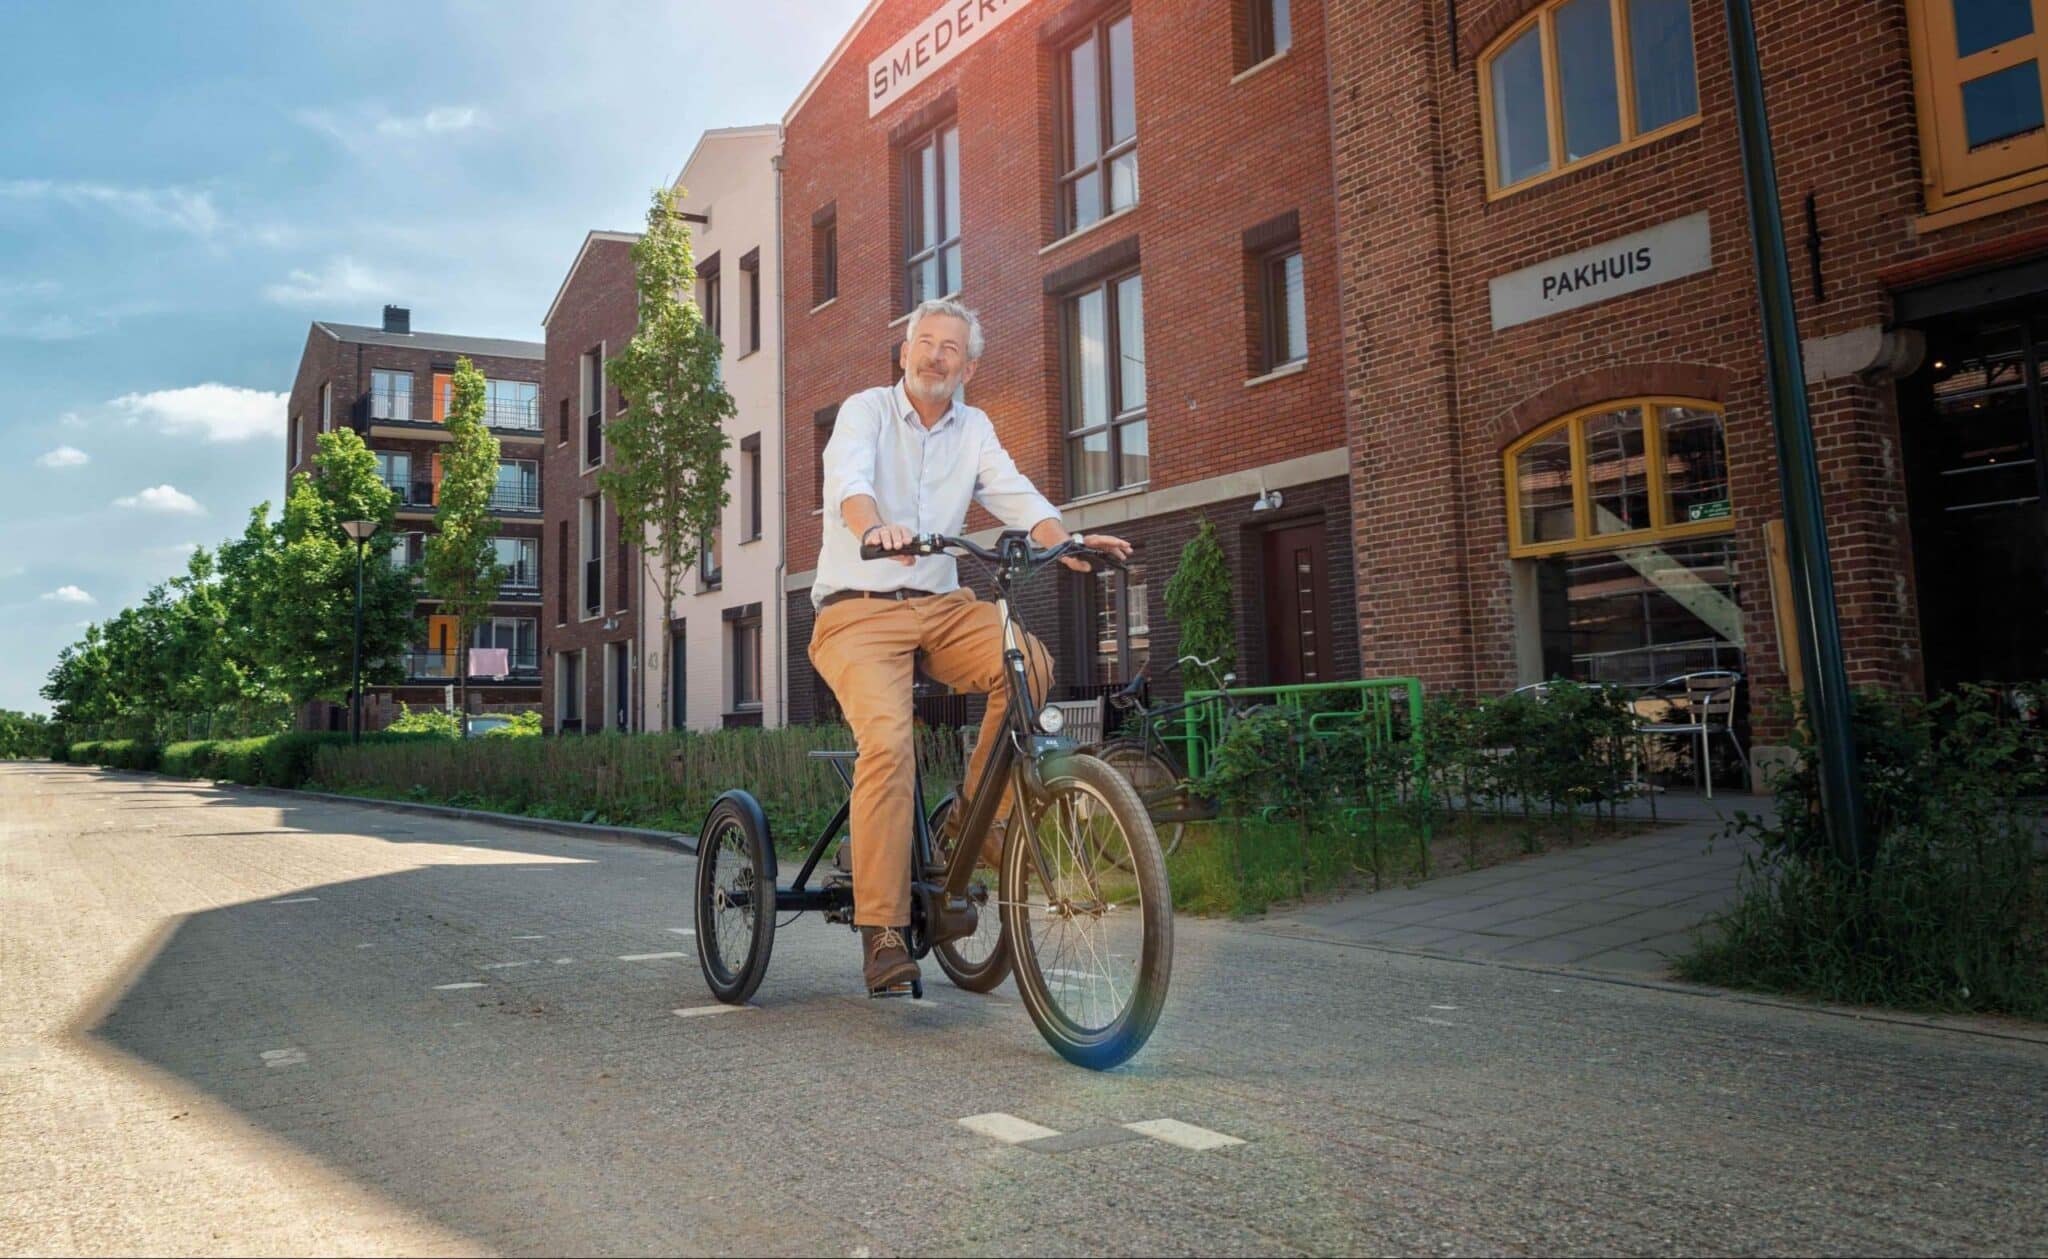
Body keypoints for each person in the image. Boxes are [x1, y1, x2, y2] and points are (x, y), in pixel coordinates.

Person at [810, 297, 1133, 994]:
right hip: (858, 612)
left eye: (949, 348)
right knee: (890, 744)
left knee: (1031, 663)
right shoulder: (864, 410)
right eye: (924, 343)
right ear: (904, 352)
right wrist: (873, 528)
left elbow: (1012, 492)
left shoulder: (975, 426)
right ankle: (884, 928)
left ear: (969, 366)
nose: (934, 355)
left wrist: (1064, 540)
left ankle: (970, 820)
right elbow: (849, 482)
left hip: (943, 606)